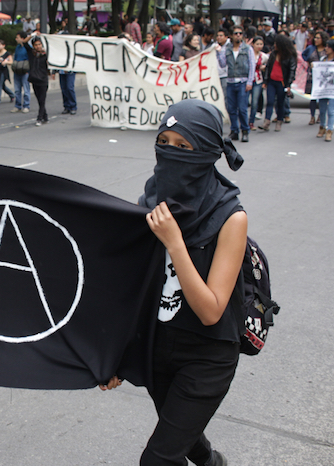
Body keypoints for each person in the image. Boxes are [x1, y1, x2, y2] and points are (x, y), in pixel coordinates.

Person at [101, 99, 247, 466]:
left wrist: (175, 242)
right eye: (164, 141)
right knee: (183, 435)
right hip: (158, 347)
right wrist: (114, 354)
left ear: (209, 153)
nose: (170, 152)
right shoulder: (150, 202)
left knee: (158, 459)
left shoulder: (231, 217)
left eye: (184, 146)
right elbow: (135, 289)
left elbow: (212, 311)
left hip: (207, 355)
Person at [217, 25, 255, 142]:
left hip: (243, 81)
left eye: (240, 33)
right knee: (231, 108)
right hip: (231, 81)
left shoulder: (247, 49)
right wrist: (219, 53)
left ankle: (245, 130)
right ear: (232, 36)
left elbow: (252, 65)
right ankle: (234, 130)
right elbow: (223, 64)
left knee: (242, 108)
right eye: (235, 33)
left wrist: (250, 81)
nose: (238, 35)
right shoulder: (227, 49)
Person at [260, 35, 297, 132]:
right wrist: (266, 81)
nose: (274, 45)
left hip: (282, 83)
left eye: (276, 43)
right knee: (270, 101)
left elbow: (292, 71)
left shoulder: (290, 56)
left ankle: (279, 121)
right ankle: (267, 121)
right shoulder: (273, 54)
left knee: (280, 103)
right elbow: (268, 68)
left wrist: (288, 85)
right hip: (272, 82)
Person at [315, 39, 334, 142]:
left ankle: (329, 130)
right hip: (323, 89)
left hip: (333, 89)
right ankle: (322, 127)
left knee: (331, 111)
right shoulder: (323, 59)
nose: (326, 48)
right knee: (322, 110)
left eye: (328, 47)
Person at [302, 31, 328, 125]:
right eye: (315, 38)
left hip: (323, 76)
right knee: (313, 97)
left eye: (318, 38)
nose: (315, 40)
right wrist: (308, 63)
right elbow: (304, 55)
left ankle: (320, 115)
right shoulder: (311, 48)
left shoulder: (326, 49)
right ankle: (312, 116)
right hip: (312, 75)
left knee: (322, 97)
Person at [27, 37, 52, 126]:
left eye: (39, 44)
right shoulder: (32, 54)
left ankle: (39, 118)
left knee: (42, 100)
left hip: (43, 79)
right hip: (34, 79)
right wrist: (32, 35)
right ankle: (45, 117)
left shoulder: (46, 54)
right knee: (39, 100)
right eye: (36, 45)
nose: (38, 46)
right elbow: (25, 42)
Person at [248, 36, 268, 131]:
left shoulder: (263, 56)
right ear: (253, 44)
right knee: (244, 102)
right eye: (257, 44)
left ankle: (251, 121)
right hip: (247, 80)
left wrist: (264, 68)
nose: (259, 46)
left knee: (254, 102)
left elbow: (269, 66)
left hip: (258, 81)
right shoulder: (248, 53)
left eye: (261, 44)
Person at [58, 18, 78, 114]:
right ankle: (66, 106)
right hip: (61, 70)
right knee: (63, 89)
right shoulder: (59, 50)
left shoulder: (72, 48)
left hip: (70, 71)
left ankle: (73, 106)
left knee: (70, 87)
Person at [12, 31, 31, 113]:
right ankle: (18, 105)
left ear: (23, 38)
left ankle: (26, 105)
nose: (16, 39)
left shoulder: (27, 48)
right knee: (17, 90)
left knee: (26, 89)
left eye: (18, 37)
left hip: (25, 71)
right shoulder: (17, 47)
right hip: (17, 70)